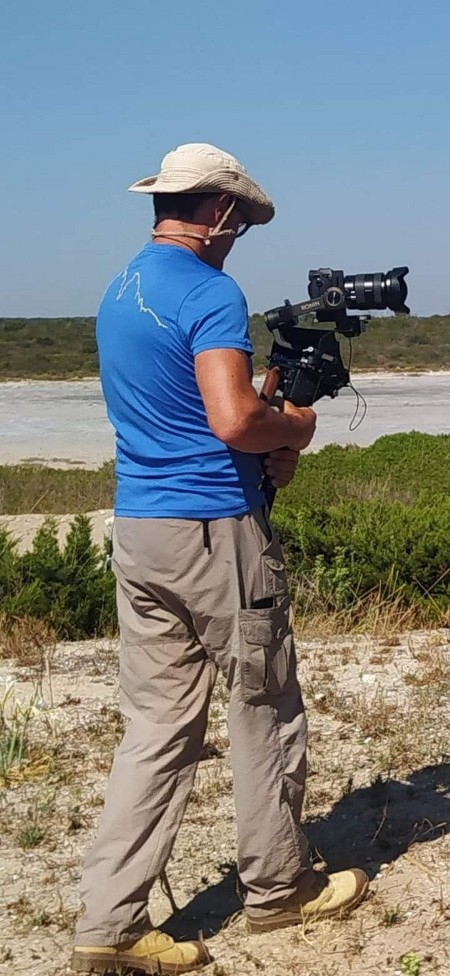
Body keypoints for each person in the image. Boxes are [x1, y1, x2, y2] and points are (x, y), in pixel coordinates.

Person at [72, 143, 368, 975]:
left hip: (142, 528)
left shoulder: (120, 289)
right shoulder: (208, 291)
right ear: (219, 211)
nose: (239, 238)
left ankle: (108, 923)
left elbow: (178, 408)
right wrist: (295, 427)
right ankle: (279, 890)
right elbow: (234, 420)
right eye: (241, 223)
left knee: (155, 728)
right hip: (214, 533)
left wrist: (264, 427)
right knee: (263, 706)